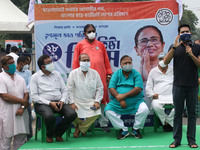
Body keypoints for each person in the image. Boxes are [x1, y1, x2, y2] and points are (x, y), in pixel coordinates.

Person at [161, 24, 200, 148]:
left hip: (193, 85)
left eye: (187, 31)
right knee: (178, 113)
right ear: (179, 34)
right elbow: (165, 62)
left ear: (191, 33)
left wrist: (191, 54)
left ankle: (192, 140)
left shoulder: (197, 47)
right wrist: (173, 47)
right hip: (178, 85)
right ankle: (176, 140)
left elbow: (199, 64)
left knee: (192, 114)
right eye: (182, 32)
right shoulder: (174, 47)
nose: (185, 33)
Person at [73, 24, 113, 132]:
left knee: (102, 99)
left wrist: (108, 74)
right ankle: (88, 125)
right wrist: (77, 76)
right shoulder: (79, 45)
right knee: (87, 98)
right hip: (85, 77)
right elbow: (76, 62)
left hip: (101, 75)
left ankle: (103, 124)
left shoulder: (100, 45)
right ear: (84, 33)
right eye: (89, 31)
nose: (92, 33)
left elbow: (106, 60)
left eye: (93, 31)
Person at [30, 54, 77, 143]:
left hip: (59, 102)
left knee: (72, 114)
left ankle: (57, 133)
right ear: (42, 67)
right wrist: (49, 103)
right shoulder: (35, 77)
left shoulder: (57, 74)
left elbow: (64, 90)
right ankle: (49, 134)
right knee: (49, 116)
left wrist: (62, 100)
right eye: (48, 63)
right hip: (43, 104)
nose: (51, 64)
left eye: (51, 62)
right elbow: (34, 96)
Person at [105, 55, 149, 140]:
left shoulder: (136, 74)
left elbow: (138, 89)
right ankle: (123, 129)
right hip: (117, 102)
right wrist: (120, 98)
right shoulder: (116, 74)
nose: (127, 64)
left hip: (136, 101)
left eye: (129, 62)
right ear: (121, 65)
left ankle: (136, 128)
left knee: (144, 109)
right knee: (108, 111)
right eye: (125, 63)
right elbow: (111, 88)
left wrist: (123, 96)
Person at [67, 53, 104, 138]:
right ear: (79, 62)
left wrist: (97, 101)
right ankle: (84, 128)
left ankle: (80, 128)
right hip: (76, 101)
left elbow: (100, 88)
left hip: (90, 101)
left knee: (97, 113)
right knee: (69, 112)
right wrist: (71, 102)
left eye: (88, 60)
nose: (86, 62)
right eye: (84, 60)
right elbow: (69, 89)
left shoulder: (95, 73)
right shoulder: (73, 73)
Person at [0, 55, 29, 150]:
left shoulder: (20, 78)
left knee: (20, 140)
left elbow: (26, 93)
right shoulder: (1, 78)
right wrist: (22, 101)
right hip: (7, 113)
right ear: (4, 66)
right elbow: (4, 96)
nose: (13, 65)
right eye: (10, 63)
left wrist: (22, 107)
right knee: (5, 140)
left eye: (13, 62)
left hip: (20, 113)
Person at [146, 52, 174, 132]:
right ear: (158, 60)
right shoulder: (153, 71)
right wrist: (152, 94)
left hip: (172, 96)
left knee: (182, 104)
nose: (163, 61)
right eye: (161, 59)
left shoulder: (173, 69)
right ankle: (166, 122)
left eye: (165, 59)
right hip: (159, 97)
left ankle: (168, 121)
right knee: (156, 106)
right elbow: (149, 86)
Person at [16, 55, 33, 140]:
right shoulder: (14, 73)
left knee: (28, 120)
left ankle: (29, 137)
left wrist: (25, 93)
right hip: (16, 100)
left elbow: (29, 85)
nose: (27, 66)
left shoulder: (28, 72)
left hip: (27, 100)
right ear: (20, 63)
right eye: (26, 64)